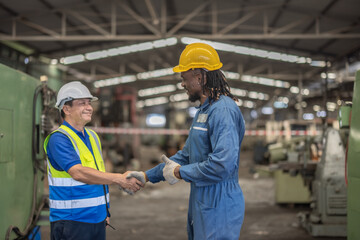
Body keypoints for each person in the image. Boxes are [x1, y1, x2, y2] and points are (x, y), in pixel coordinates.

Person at [129, 42, 246, 239]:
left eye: (184, 78)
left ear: (200, 77)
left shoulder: (223, 110)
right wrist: (146, 176)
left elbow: (222, 164)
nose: (182, 84)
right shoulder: (204, 111)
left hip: (219, 201)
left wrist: (179, 172)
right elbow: (186, 155)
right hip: (202, 198)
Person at [44, 81, 144, 240]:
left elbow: (98, 174)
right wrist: (119, 178)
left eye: (89, 103)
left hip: (96, 218)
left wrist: (105, 210)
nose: (89, 107)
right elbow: (77, 172)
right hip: (71, 221)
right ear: (66, 108)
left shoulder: (92, 137)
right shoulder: (59, 139)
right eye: (82, 103)